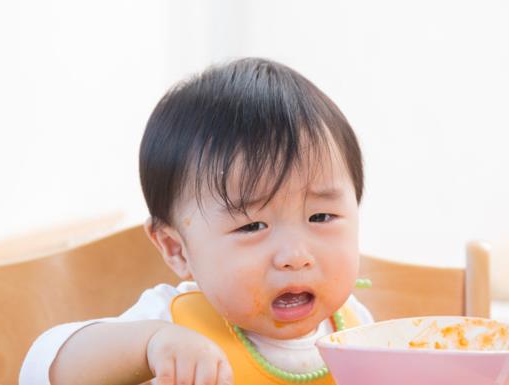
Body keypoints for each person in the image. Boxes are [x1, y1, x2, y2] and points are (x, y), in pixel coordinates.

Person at [20, 57, 374, 385]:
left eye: (321, 216)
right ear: (177, 249)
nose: (295, 256)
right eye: (252, 226)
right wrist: (149, 345)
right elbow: (40, 370)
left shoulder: (356, 329)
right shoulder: (172, 322)